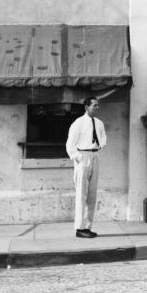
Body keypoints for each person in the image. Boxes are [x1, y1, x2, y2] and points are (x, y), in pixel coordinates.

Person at [65, 96, 106, 238]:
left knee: (92, 194)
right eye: (94, 105)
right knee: (81, 194)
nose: (97, 107)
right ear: (86, 107)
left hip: (95, 156)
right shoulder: (78, 123)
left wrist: (100, 146)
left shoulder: (99, 123)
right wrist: (78, 158)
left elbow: (103, 137)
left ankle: (87, 227)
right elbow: (70, 145)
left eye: (98, 105)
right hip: (82, 158)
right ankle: (79, 228)